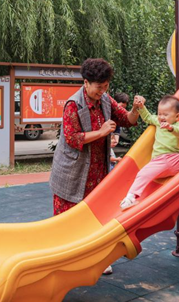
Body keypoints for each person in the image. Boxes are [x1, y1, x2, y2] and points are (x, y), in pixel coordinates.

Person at [49, 58, 143, 275]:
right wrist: (101, 132)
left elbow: (126, 119)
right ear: (86, 83)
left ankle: (96, 256)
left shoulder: (106, 100)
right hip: (72, 171)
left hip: (97, 169)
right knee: (67, 218)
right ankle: (62, 259)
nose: (103, 91)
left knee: (95, 214)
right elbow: (73, 138)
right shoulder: (73, 105)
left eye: (106, 86)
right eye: (99, 87)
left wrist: (136, 109)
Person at [119, 95, 179, 210]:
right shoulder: (158, 122)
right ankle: (130, 198)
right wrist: (141, 107)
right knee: (142, 174)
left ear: (177, 116)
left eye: (165, 114)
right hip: (159, 161)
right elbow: (147, 117)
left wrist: (170, 128)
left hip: (175, 159)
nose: (161, 117)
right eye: (159, 114)